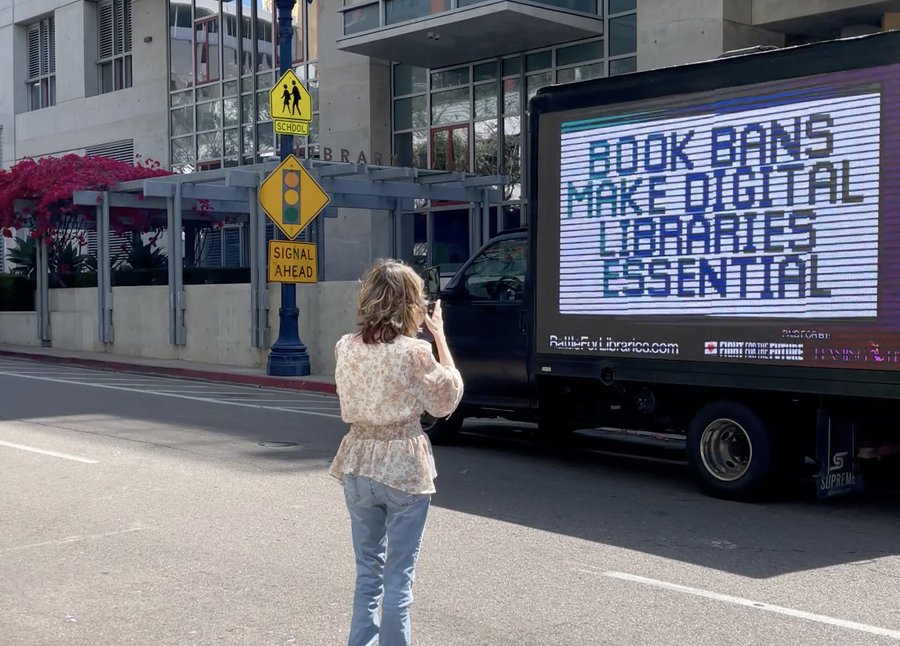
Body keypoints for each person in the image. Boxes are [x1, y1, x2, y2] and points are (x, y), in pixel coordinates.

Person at [330, 259, 463, 646]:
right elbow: (446, 399)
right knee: (398, 578)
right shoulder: (414, 352)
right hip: (403, 464)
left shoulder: (345, 347)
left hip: (357, 458)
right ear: (411, 305)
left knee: (367, 573)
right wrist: (439, 338)